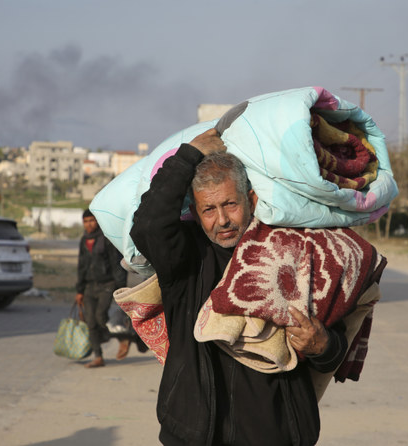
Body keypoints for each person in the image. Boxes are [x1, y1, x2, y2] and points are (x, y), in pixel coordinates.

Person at [130, 128, 349, 445]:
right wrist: (189, 154)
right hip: (196, 435)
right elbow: (149, 225)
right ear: (195, 213)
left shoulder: (295, 254)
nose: (222, 220)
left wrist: (322, 345)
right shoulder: (187, 260)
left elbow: (335, 346)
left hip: (278, 435)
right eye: (209, 209)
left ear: (251, 200)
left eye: (230, 204)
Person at [75, 209, 128, 368]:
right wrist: (79, 290)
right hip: (89, 287)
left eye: (92, 220)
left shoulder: (106, 239)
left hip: (107, 284)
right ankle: (98, 356)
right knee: (90, 321)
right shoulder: (84, 240)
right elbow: (81, 266)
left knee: (100, 316)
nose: (89, 224)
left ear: (97, 221)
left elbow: (116, 263)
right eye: (86, 221)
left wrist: (121, 288)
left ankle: (122, 337)